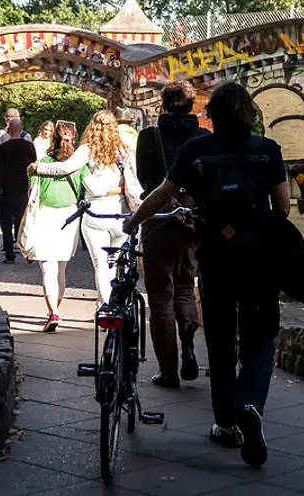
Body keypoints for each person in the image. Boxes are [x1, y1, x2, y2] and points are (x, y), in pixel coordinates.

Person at [125, 81, 290, 468]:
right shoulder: (267, 151)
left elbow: (163, 193)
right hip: (258, 260)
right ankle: (251, 403)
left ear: (212, 113)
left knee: (219, 342)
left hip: (215, 258)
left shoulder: (198, 150)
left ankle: (226, 424)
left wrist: (135, 219)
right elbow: (282, 208)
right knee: (259, 337)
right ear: (249, 113)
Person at [134, 81, 203, 389]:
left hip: (158, 217)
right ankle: (188, 340)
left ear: (162, 104)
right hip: (191, 219)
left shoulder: (150, 136)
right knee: (186, 287)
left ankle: (168, 371)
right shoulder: (203, 137)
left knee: (160, 296)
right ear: (191, 106)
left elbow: (144, 178)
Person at [33, 110, 141, 308]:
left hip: (96, 215)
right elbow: (135, 181)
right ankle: (109, 306)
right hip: (122, 215)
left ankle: (105, 307)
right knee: (115, 264)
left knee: (101, 265)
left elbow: (65, 168)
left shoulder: (87, 150)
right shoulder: (124, 151)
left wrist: (38, 168)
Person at [21, 120, 85, 331]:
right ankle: (53, 312)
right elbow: (87, 188)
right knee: (61, 269)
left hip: (46, 214)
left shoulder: (44, 162)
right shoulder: (78, 163)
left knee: (48, 267)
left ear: (53, 139)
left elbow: (32, 190)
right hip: (70, 216)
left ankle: (54, 314)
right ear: (73, 138)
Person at [0, 111, 37, 263]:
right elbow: (34, 168)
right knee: (22, 223)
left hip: (7, 190)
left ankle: (9, 255)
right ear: (21, 129)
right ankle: (27, 252)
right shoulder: (29, 146)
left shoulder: (3, 148)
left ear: (9, 130)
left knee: (6, 225)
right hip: (23, 189)